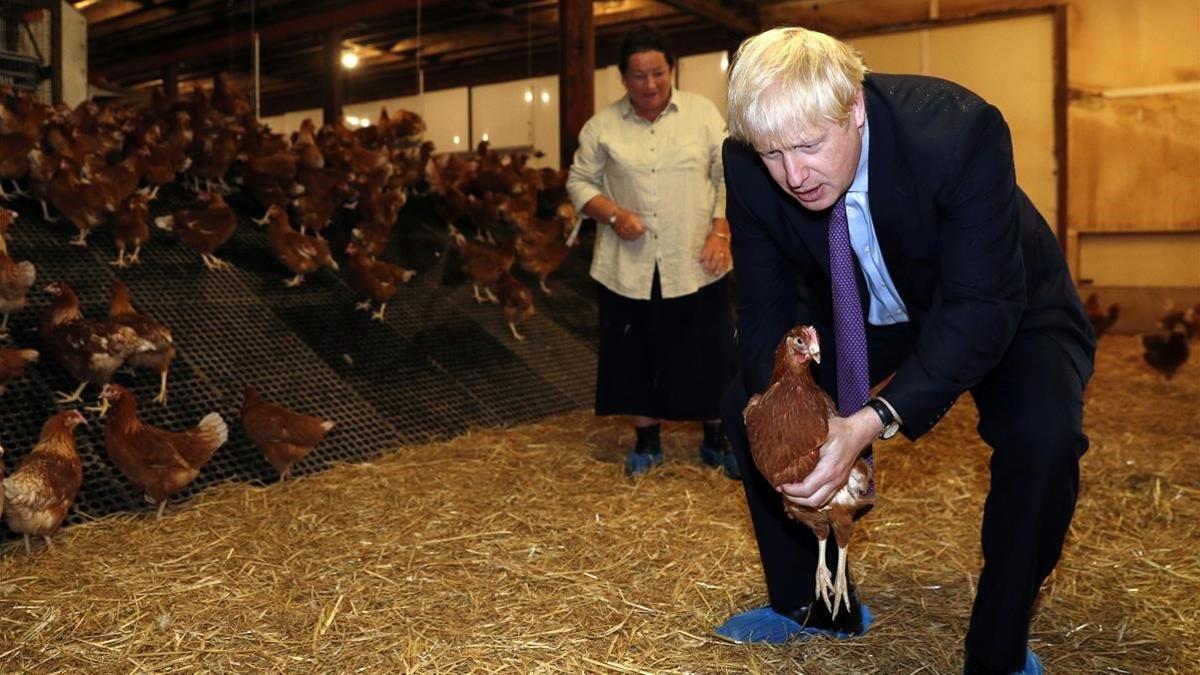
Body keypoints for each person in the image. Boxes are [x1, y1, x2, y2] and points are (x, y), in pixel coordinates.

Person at [713, 26, 1095, 675]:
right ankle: (815, 605)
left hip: (999, 295)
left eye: (808, 145)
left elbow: (980, 308)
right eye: (773, 152)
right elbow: (764, 310)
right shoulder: (751, 167)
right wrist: (787, 416)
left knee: (1042, 435)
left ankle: (997, 648)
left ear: (854, 107)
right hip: (865, 304)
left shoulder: (958, 134)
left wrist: (869, 420)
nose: (793, 174)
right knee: (743, 404)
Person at [566, 26, 739, 478]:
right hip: (630, 264)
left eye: (657, 73)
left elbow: (728, 177)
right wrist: (612, 214)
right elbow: (579, 183)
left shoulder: (702, 115)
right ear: (622, 77)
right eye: (638, 75)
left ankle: (716, 441)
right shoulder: (601, 127)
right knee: (635, 353)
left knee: (709, 351)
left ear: (671, 70)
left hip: (697, 259)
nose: (650, 85)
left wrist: (720, 233)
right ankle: (647, 442)